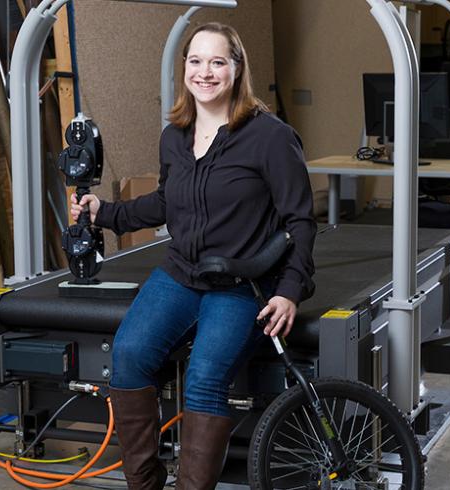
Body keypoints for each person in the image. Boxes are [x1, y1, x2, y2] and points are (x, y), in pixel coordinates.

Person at [69, 22, 316, 490]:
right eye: (196, 61)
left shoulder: (270, 137)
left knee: (204, 378)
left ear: (236, 69)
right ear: (185, 68)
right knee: (128, 354)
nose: (205, 72)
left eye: (217, 61)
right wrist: (107, 212)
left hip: (242, 283)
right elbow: (167, 202)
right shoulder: (175, 136)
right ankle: (145, 484)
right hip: (181, 273)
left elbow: (300, 221)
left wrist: (290, 291)